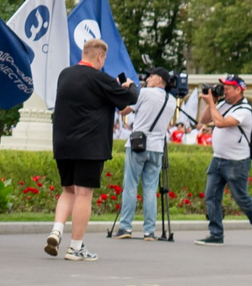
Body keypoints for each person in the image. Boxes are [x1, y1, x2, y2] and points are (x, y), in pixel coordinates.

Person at [47, 37, 136, 262]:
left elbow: (96, 102)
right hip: (89, 146)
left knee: (68, 190)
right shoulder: (100, 79)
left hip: (63, 143)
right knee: (84, 194)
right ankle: (75, 247)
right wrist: (129, 86)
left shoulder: (65, 75)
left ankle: (56, 230)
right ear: (100, 56)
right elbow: (130, 98)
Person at [193, 77, 252, 248]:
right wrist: (212, 101)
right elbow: (205, 120)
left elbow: (220, 123)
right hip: (218, 158)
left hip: (236, 162)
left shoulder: (244, 110)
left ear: (239, 91)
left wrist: (213, 104)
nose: (224, 90)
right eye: (224, 87)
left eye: (228, 88)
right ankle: (216, 234)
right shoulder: (223, 105)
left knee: (241, 198)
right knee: (211, 197)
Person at [112, 72, 171, 240]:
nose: (147, 79)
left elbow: (123, 110)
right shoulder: (171, 100)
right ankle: (149, 231)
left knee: (130, 185)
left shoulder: (144, 93)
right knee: (151, 190)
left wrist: (129, 87)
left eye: (151, 77)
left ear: (159, 79)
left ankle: (125, 227)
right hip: (157, 147)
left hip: (138, 144)